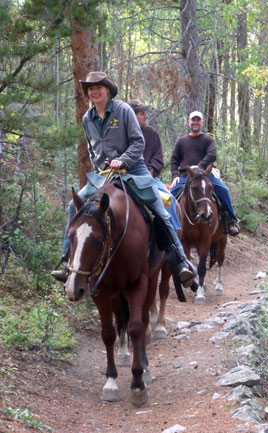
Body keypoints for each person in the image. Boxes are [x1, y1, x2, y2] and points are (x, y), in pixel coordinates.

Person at [51, 71, 195, 287]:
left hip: (135, 171)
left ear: (107, 90)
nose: (95, 91)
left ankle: (181, 261)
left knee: (160, 209)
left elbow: (138, 143)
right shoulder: (87, 118)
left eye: (99, 87)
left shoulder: (123, 110)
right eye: (91, 89)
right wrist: (102, 166)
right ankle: (67, 262)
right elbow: (92, 149)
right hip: (105, 175)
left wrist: (123, 160)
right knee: (74, 205)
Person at [170, 111, 240, 236]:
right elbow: (174, 159)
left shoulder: (208, 139)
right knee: (170, 196)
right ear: (189, 122)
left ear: (202, 123)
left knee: (223, 190)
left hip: (206, 175)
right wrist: (175, 175)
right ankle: (166, 224)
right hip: (186, 175)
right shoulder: (182, 141)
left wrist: (200, 168)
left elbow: (212, 154)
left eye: (198, 120)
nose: (195, 122)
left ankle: (231, 219)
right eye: (193, 120)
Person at [127, 100, 180, 230]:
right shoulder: (121, 133)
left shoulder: (151, 133)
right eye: (142, 113)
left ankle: (173, 238)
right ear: (132, 116)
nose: (146, 116)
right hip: (124, 177)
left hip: (149, 178)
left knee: (170, 201)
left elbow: (158, 158)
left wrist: (149, 172)